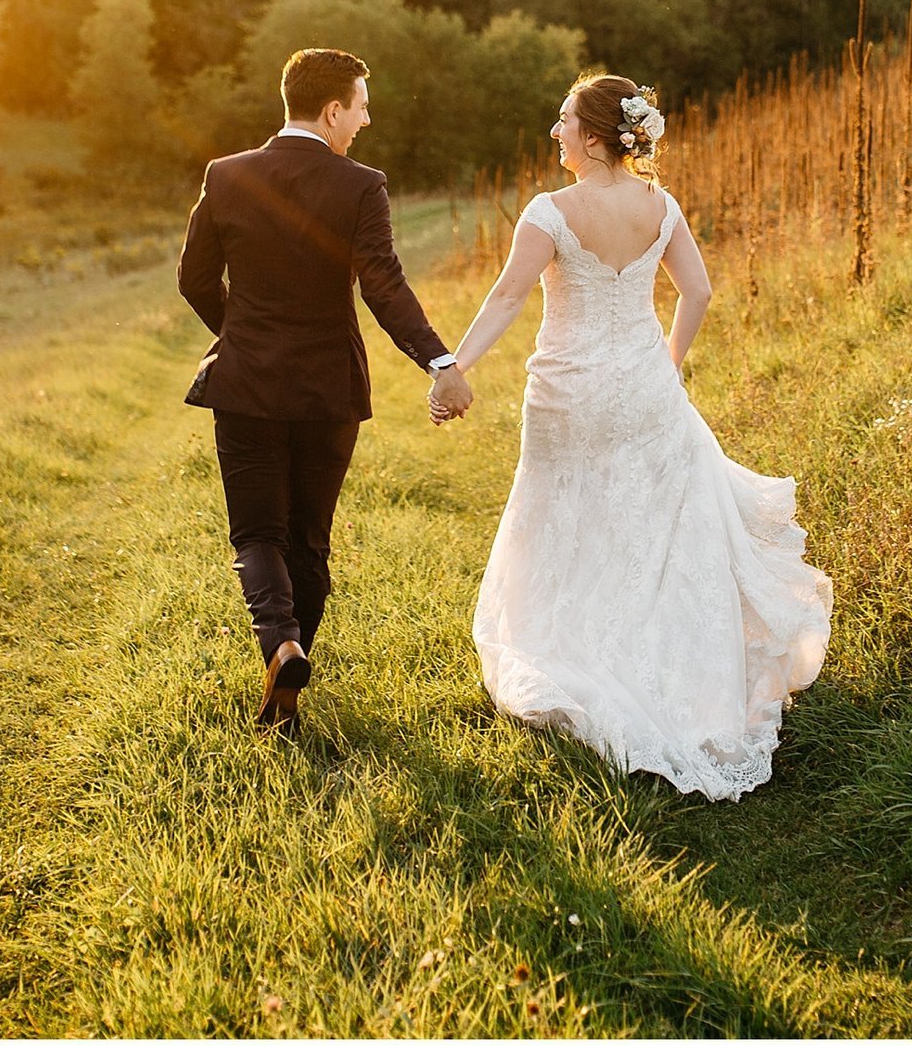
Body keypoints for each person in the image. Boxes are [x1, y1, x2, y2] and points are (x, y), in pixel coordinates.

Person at [441, 73, 832, 799]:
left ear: (593, 135)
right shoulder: (661, 205)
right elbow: (700, 291)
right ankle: (660, 660)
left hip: (566, 394)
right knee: (647, 530)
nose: (554, 131)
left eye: (562, 120)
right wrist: (667, 364)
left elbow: (506, 297)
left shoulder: (548, 212)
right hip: (645, 388)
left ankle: (574, 653)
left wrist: (454, 366)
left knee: (563, 520)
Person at [176, 47, 473, 739]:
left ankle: (280, 648)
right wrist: (440, 360)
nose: (365, 121)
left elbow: (194, 279)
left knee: (256, 533)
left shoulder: (225, 175)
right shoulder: (361, 186)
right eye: (361, 106)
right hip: (327, 391)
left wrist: (243, 336)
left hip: (245, 385)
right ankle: (288, 676)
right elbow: (383, 284)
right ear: (332, 108)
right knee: (308, 541)